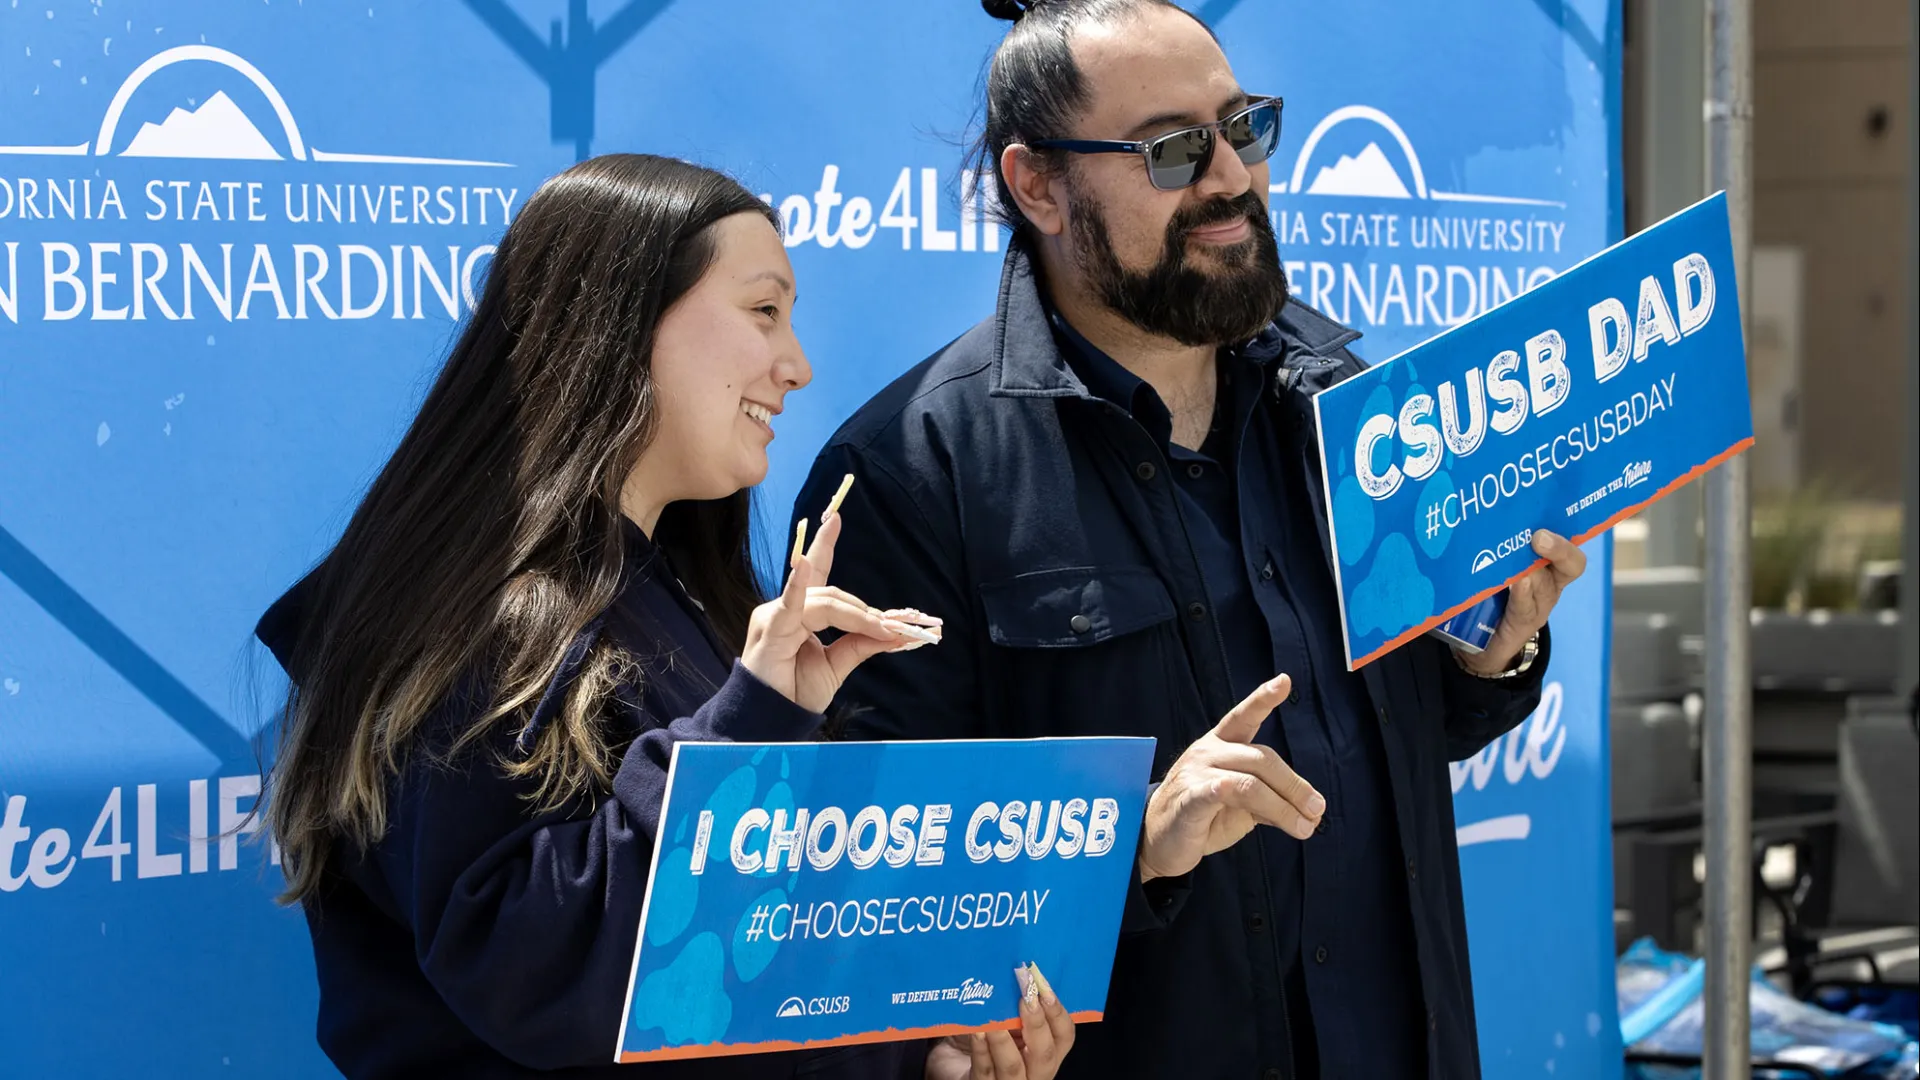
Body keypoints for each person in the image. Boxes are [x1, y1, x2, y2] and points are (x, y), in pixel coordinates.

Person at [789, 3, 1589, 1078]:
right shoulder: (910, 473)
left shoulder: (1348, 409)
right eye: (1172, 149)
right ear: (1038, 187)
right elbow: (884, 907)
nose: (1229, 179)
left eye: (1244, 129)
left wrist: (1490, 657)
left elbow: (1389, 745)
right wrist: (1140, 851)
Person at [255, 154, 1073, 1080]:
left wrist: (922, 1065)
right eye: (764, 311)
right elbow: (547, 972)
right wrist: (751, 719)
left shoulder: (695, 601)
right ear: (622, 319)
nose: (797, 365)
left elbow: (749, 980)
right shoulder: (475, 624)